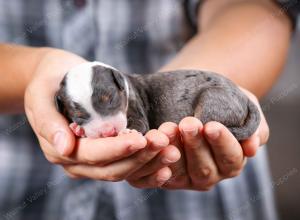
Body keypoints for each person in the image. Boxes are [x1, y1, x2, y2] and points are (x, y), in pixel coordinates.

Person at [0, 0, 298, 219]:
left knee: (203, 123)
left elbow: (258, 8)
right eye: (83, 115)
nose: (106, 128)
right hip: (21, 194)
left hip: (200, 195)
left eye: (108, 105)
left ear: (120, 84)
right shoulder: (76, 95)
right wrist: (31, 73)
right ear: (62, 105)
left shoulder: (133, 95)